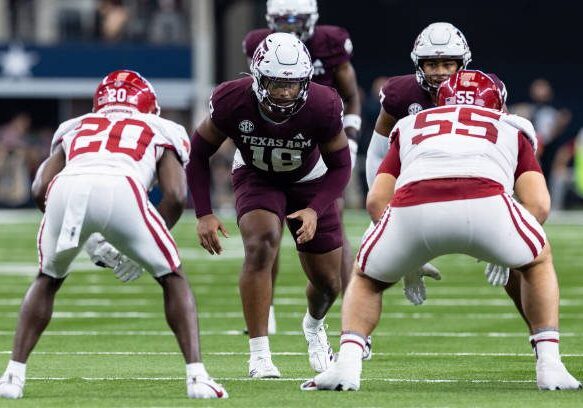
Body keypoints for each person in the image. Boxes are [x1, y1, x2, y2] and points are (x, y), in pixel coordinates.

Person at [301, 70, 582, 392]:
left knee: (366, 278)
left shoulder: (410, 125)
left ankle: (346, 367)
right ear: (497, 104)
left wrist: (405, 258)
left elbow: (377, 200)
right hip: (487, 203)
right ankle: (550, 366)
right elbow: (539, 205)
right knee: (537, 260)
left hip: (412, 206)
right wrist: (509, 250)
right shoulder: (510, 127)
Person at [0, 70, 227, 400]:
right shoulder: (162, 128)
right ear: (148, 104)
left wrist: (84, 235)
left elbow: (39, 188)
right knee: (172, 276)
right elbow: (176, 195)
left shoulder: (76, 125)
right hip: (122, 185)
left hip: (66, 187)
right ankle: (197, 377)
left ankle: (12, 377)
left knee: (48, 277)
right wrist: (138, 246)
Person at [187, 33, 352, 378]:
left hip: (310, 180)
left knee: (329, 283)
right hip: (256, 174)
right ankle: (260, 355)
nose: (284, 93)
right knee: (261, 244)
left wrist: (315, 208)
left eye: (292, 85)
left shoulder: (323, 105)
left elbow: (341, 165)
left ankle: (314, 326)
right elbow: (199, 153)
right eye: (276, 84)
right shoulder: (233, 99)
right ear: (258, 78)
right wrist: (203, 212)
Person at [242, 0, 361, 337]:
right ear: (270, 21)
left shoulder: (330, 44)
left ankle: (352, 304)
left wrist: (349, 135)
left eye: (297, 20)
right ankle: (267, 307)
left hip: (322, 135)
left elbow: (351, 94)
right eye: (283, 21)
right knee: (266, 225)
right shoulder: (258, 46)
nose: (290, 27)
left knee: (329, 214)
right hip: (275, 134)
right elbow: (253, 92)